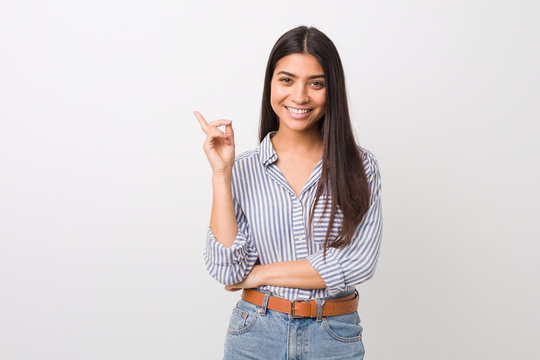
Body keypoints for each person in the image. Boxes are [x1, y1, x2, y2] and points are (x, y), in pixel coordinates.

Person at [194, 25, 382, 360]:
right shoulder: (244, 169)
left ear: (332, 89)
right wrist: (222, 173)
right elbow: (227, 271)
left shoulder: (360, 166)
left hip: (334, 336)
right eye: (287, 79)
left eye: (316, 83)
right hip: (255, 334)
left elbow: (357, 263)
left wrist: (260, 274)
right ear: (270, 83)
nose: (299, 96)